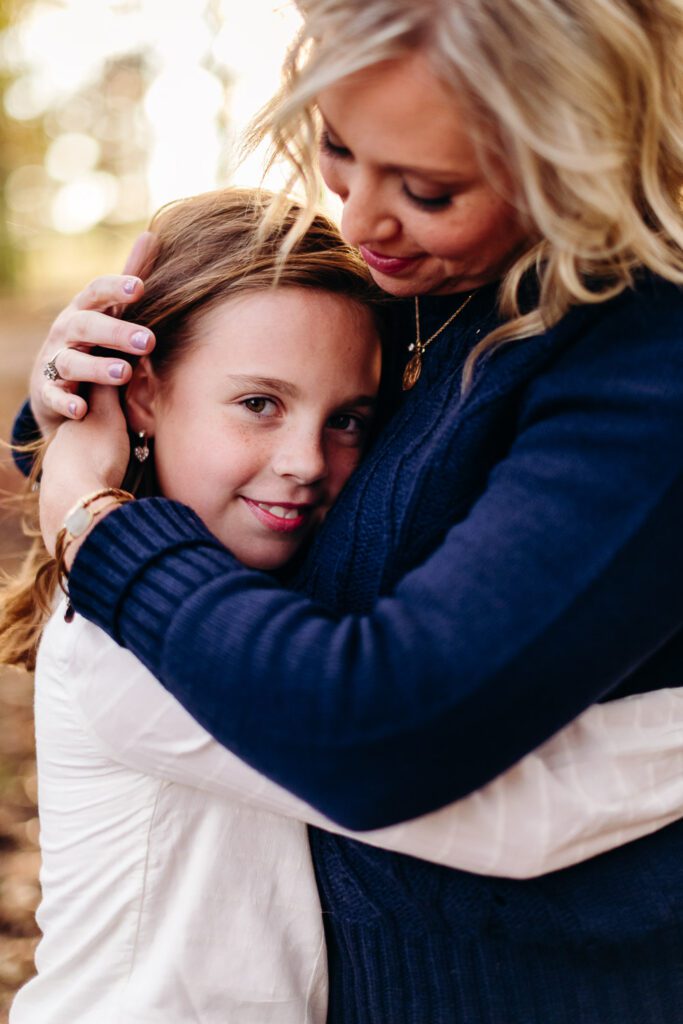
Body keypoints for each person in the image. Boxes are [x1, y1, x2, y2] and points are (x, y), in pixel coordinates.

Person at [16, 1, 683, 1020]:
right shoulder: (122, 641)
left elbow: (393, 732)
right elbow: (504, 815)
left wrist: (98, 503)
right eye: (335, 146)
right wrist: (66, 405)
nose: (361, 220)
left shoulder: (630, 358)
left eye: (425, 189)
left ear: (566, 153)